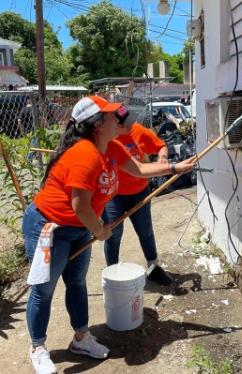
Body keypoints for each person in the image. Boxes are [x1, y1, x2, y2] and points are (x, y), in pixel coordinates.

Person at [24, 95, 194, 373]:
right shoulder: (84, 155)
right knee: (44, 290)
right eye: (112, 115)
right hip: (50, 227)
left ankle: (81, 338)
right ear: (97, 123)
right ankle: (38, 347)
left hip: (80, 226)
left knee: (77, 283)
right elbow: (80, 206)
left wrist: (174, 167)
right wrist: (100, 230)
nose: (119, 119)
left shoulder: (111, 147)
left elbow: (139, 170)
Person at [103, 105, 173, 285]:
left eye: (130, 122)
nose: (131, 126)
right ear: (113, 124)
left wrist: (162, 158)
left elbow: (160, 146)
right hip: (113, 195)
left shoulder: (138, 131)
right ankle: (112, 274)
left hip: (139, 192)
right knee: (113, 234)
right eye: (125, 124)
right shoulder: (106, 139)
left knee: (145, 232)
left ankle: (153, 268)